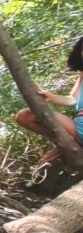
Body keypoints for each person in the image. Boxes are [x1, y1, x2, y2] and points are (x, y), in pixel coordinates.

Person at [13, 36, 83, 176]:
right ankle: (66, 144)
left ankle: (64, 146)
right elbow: (72, 100)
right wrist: (48, 95)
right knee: (24, 116)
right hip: (78, 125)